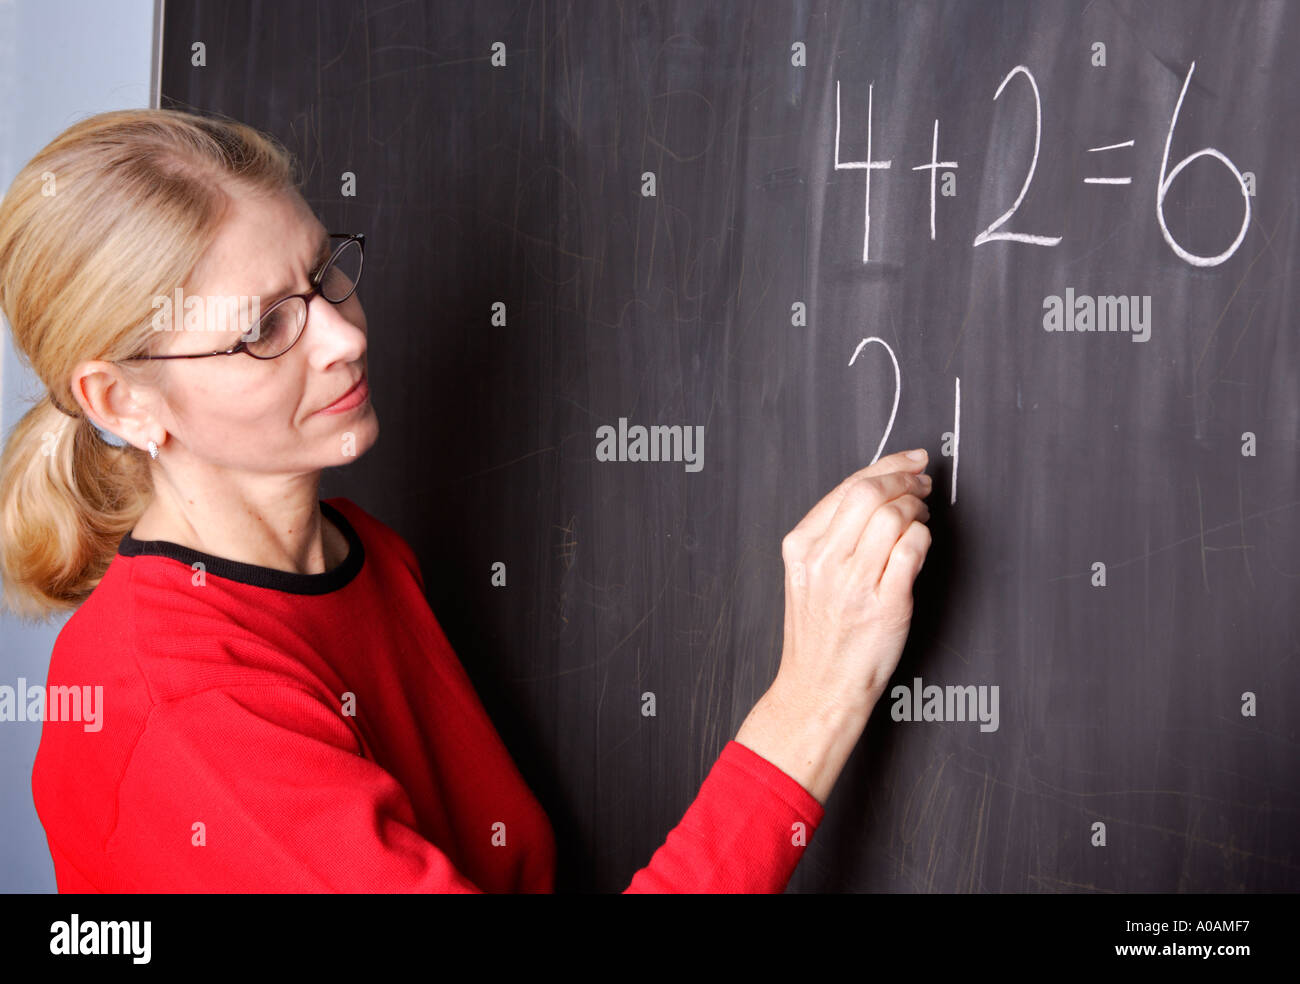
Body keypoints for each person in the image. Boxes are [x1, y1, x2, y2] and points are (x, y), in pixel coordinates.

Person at [0, 108, 932, 893]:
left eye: (324, 275)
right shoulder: (186, 715)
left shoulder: (355, 552)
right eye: (266, 329)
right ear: (124, 402)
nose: (342, 336)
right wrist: (816, 697)